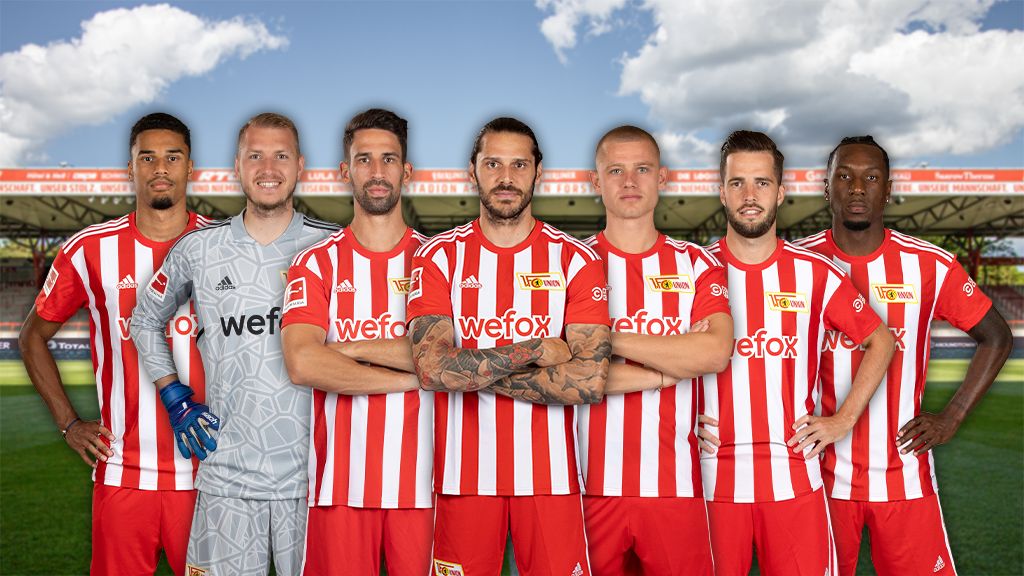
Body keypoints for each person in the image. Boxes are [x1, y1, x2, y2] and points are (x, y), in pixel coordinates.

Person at [794, 136, 1013, 575]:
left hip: (904, 476)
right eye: (845, 176)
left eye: (872, 178)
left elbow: (996, 337)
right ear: (826, 188)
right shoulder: (796, 264)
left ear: (888, 190)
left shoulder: (928, 265)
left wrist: (952, 416)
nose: (858, 188)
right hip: (816, 477)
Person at [131, 113, 338, 576]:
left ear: (300, 165)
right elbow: (144, 319)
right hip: (226, 477)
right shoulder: (198, 249)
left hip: (316, 481)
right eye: (255, 156)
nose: (269, 168)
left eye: (281, 156)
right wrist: (174, 395)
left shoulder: (333, 247)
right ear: (237, 167)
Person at [407, 117, 611, 576]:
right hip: (463, 479)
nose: (506, 177)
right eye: (492, 164)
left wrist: (468, 371)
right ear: (472, 171)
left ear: (539, 172)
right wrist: (536, 348)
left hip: (553, 480)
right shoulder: (438, 256)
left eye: (519, 164)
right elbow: (432, 370)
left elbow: (588, 381)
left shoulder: (576, 259)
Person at [19, 112, 211, 575]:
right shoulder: (89, 249)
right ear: (130, 167)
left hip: (211, 477)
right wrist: (68, 423)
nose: (160, 168)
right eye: (148, 158)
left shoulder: (226, 247)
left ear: (191, 167)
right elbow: (32, 337)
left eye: (173, 157)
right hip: (123, 475)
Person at [698, 130, 894, 576]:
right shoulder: (692, 269)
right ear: (722, 192)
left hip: (794, 480)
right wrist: (676, 417)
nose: (750, 196)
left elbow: (880, 340)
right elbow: (659, 354)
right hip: (709, 482)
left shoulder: (814, 272)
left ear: (781, 192)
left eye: (762, 183)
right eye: (737, 183)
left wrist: (843, 419)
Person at [280, 108, 432, 575]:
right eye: (364, 159)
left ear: (407, 171)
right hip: (339, 488)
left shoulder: (443, 261)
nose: (377, 171)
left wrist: (347, 350)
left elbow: (457, 357)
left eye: (389, 159)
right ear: (345, 171)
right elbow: (303, 363)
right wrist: (420, 378)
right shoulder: (315, 263)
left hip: (427, 487)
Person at [578, 125, 733, 575]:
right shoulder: (568, 264)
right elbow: (565, 369)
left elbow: (714, 353)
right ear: (595, 181)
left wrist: (603, 338)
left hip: (675, 486)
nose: (629, 181)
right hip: (584, 488)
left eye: (642, 169)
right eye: (616, 171)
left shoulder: (697, 263)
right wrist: (670, 368)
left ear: (662, 177)